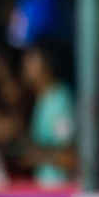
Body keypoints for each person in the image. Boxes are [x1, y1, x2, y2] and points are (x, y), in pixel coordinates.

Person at [21, 43, 76, 187]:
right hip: (43, 186)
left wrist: (37, 155)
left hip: (61, 189)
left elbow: (69, 155)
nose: (26, 69)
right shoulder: (41, 99)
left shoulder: (61, 100)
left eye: (31, 63)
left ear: (47, 66)